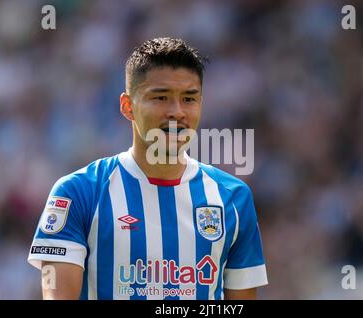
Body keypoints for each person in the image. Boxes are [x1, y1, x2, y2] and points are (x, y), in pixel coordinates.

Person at [27, 37, 268, 300]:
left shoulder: (233, 198)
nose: (176, 112)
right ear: (127, 106)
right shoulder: (79, 192)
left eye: (189, 98)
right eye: (161, 97)